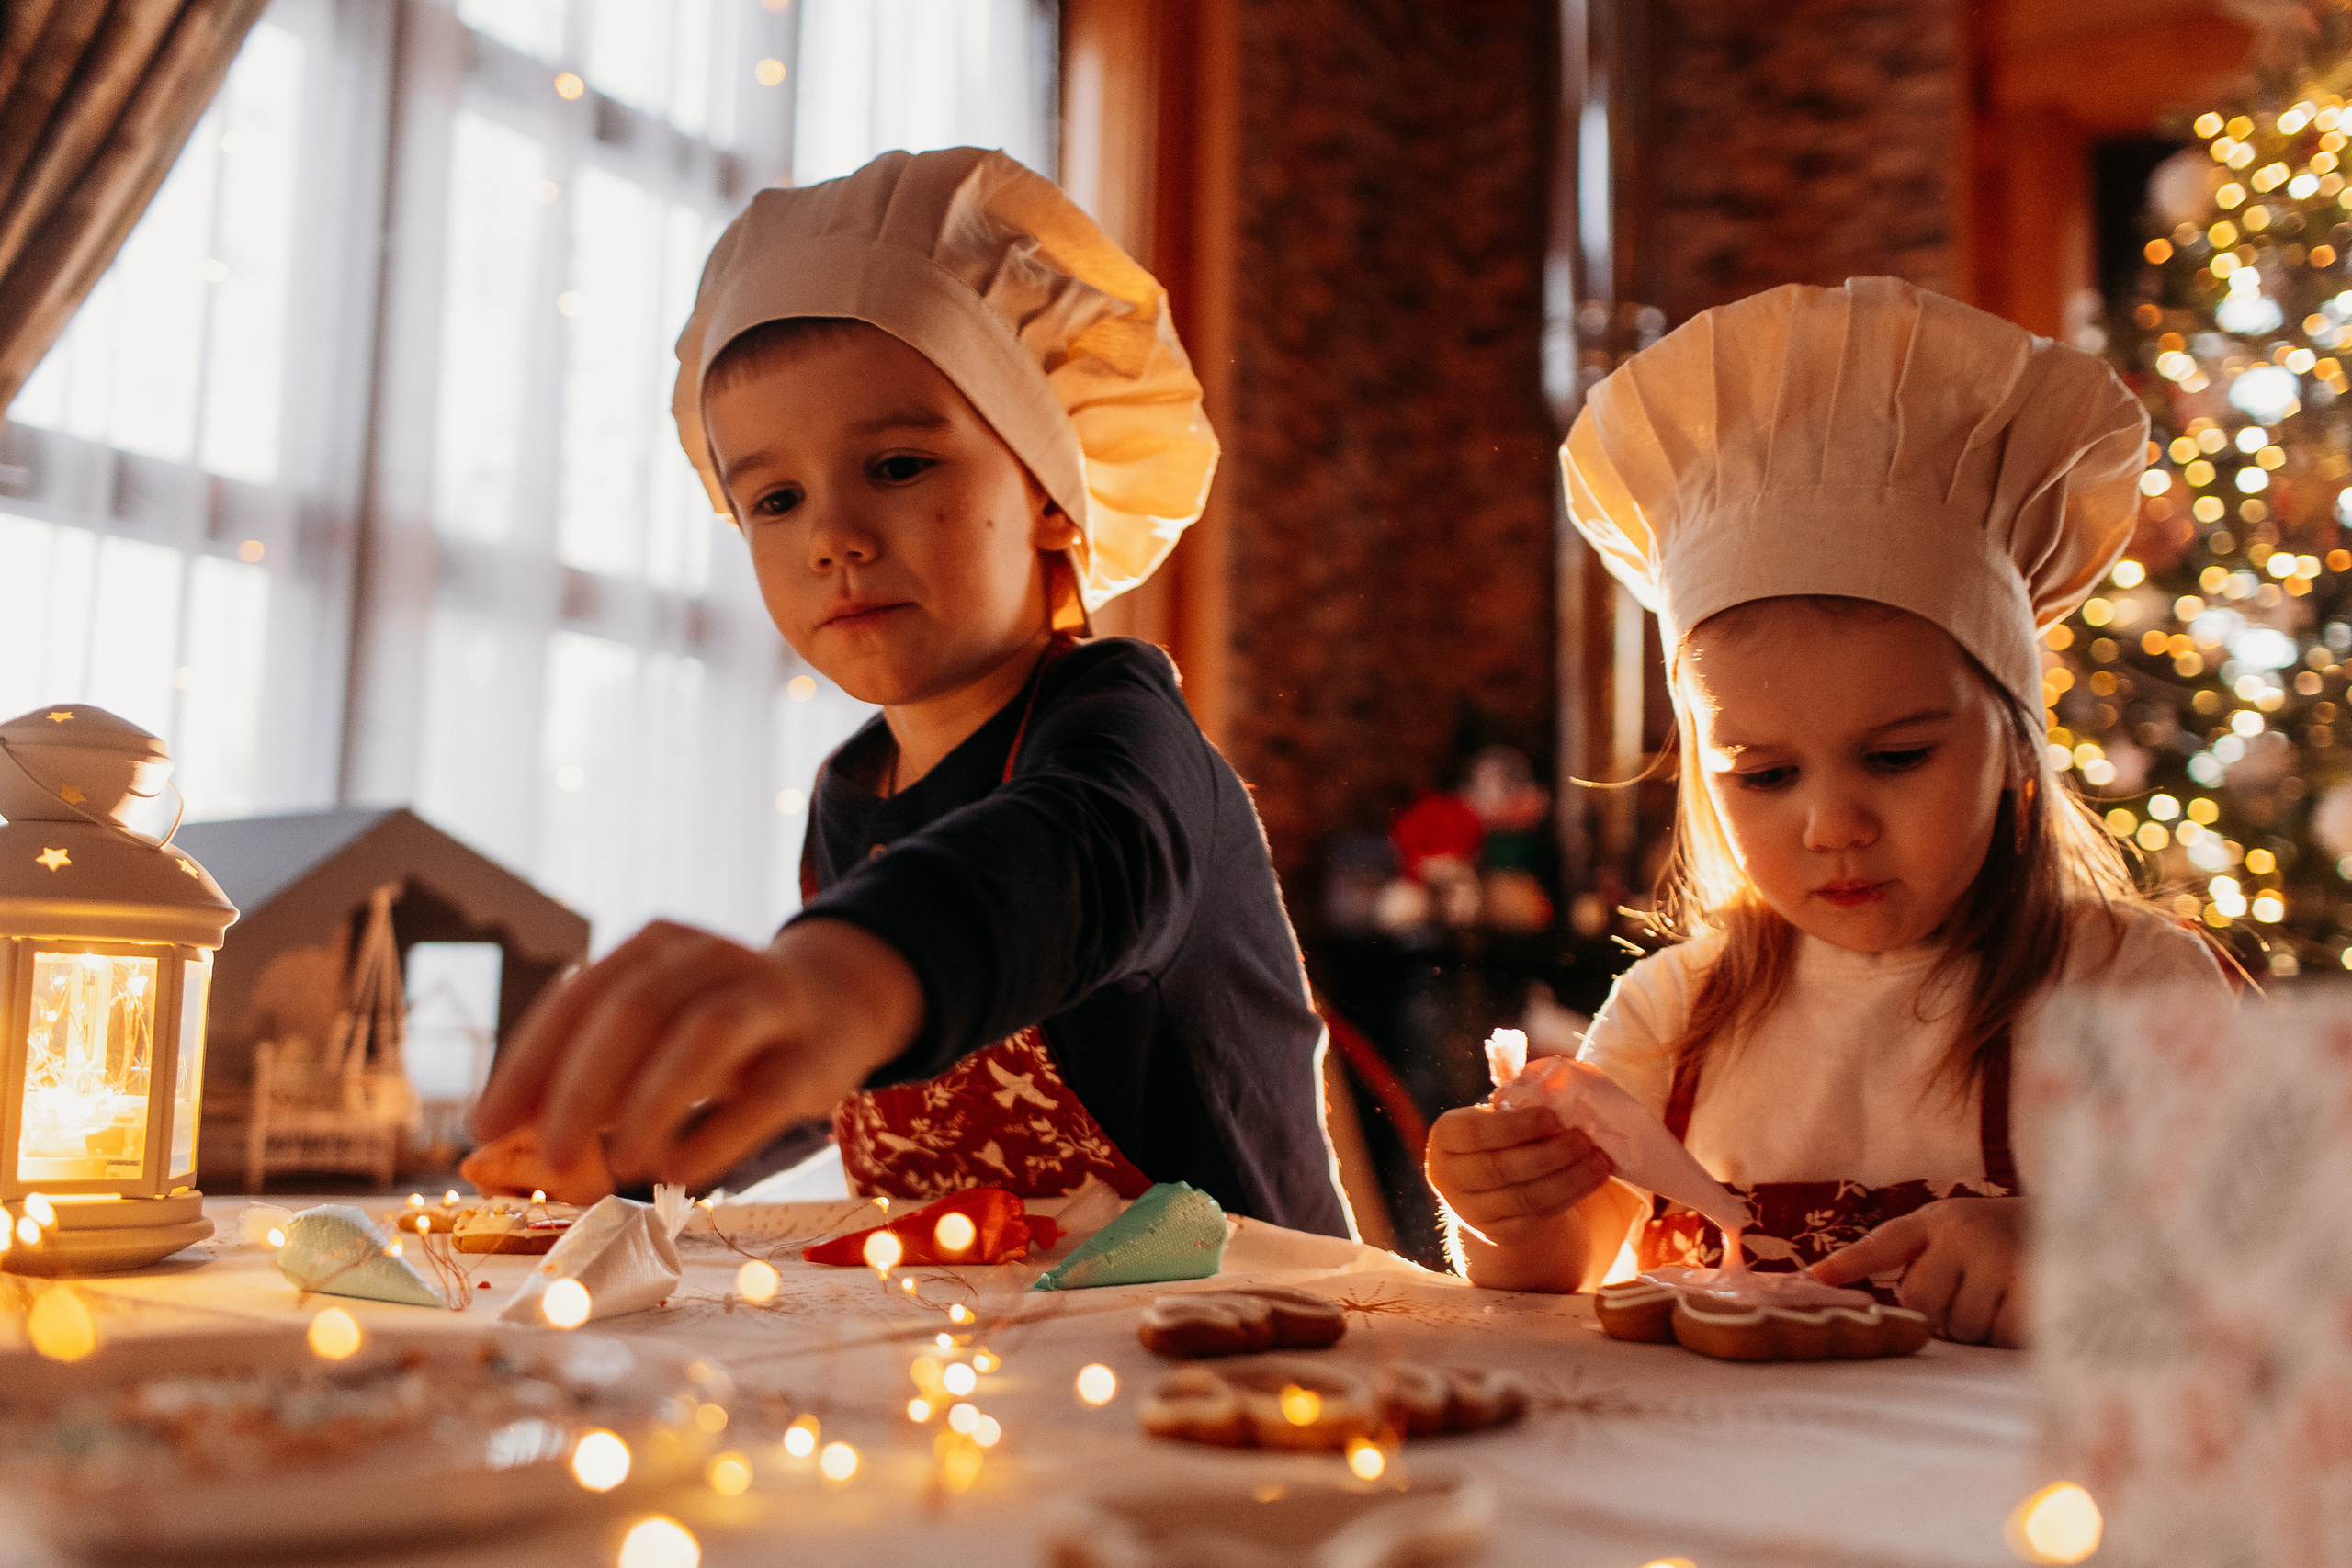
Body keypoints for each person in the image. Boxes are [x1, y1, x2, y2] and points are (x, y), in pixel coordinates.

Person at [467, 148, 1351, 1238]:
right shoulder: (856, 789)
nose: (832, 538)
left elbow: (1065, 861)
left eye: (896, 466)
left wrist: (837, 978)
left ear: (1052, 498)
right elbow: (849, 1067)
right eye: (777, 499)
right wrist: (651, 1145)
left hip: (1241, 1339)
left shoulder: (1124, 738)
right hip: (976, 1343)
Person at [1425, 277, 2235, 1345]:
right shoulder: (1677, 1013)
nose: (1831, 826)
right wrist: (1505, 1208)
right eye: (1763, 775)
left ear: (2014, 745)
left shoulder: (2127, 988)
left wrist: (2074, 1248)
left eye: (1895, 757)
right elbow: (1560, 1268)